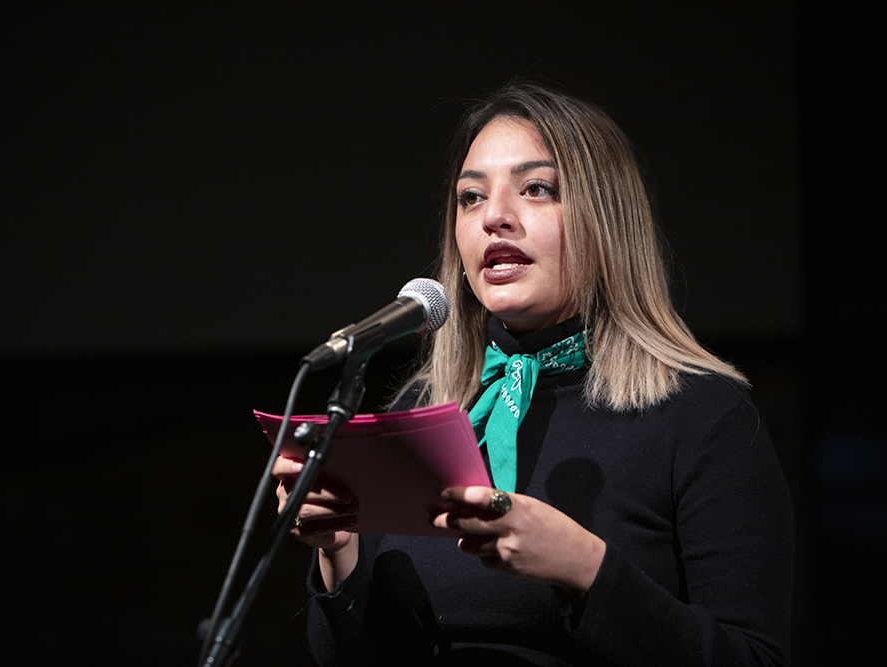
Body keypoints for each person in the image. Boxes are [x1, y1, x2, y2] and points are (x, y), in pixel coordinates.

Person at [272, 81, 794, 666]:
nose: (495, 216)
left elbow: (756, 658)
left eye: (537, 189)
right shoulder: (421, 410)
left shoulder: (703, 416)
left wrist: (586, 570)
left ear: (606, 220)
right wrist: (338, 555)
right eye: (470, 198)